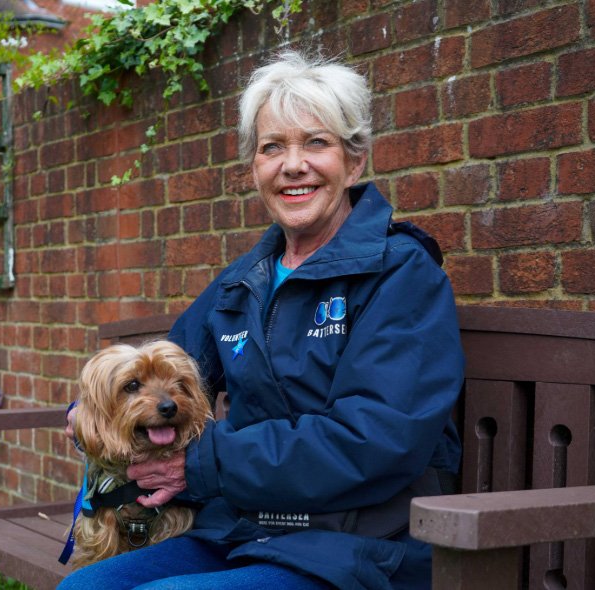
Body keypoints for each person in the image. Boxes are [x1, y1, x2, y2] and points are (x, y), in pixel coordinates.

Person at [60, 50, 463, 590]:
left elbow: (374, 438)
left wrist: (203, 467)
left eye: (315, 143)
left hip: (360, 548)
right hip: (246, 532)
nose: (292, 164)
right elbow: (161, 372)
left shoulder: (401, 275)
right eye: (273, 147)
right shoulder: (242, 283)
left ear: (355, 160)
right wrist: (93, 411)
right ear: (255, 168)